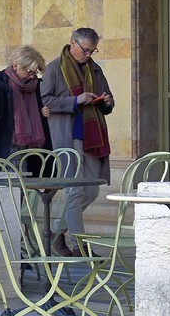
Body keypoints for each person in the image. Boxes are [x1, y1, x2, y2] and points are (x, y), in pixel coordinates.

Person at [40, 28, 114, 256]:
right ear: (72, 43)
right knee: (75, 191)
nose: (89, 55)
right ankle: (80, 246)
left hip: (93, 136)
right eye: (85, 50)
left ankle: (55, 232)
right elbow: (44, 101)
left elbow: (108, 103)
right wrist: (75, 100)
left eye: (93, 51)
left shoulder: (94, 69)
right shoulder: (54, 68)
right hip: (66, 136)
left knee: (91, 190)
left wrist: (106, 101)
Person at [0, 45, 51, 162]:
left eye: (35, 72)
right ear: (16, 65)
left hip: (33, 151)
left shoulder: (36, 87)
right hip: (5, 150)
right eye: (29, 71)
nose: (32, 77)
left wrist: (45, 113)